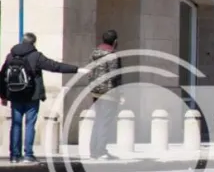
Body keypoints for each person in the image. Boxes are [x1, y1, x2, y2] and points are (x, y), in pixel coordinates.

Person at [0, 33, 83, 163]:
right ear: (34, 43)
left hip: (15, 95)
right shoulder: (36, 56)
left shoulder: (10, 56)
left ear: (22, 41)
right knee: (29, 125)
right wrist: (76, 69)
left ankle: (14, 156)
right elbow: (55, 66)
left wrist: (3, 95)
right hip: (32, 96)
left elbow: (2, 75)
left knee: (16, 125)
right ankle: (28, 155)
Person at [88, 30, 123, 160]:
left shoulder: (94, 53)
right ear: (115, 41)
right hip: (109, 92)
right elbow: (115, 76)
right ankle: (101, 150)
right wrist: (121, 93)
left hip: (95, 91)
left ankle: (93, 151)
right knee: (105, 121)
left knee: (98, 120)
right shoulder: (112, 55)